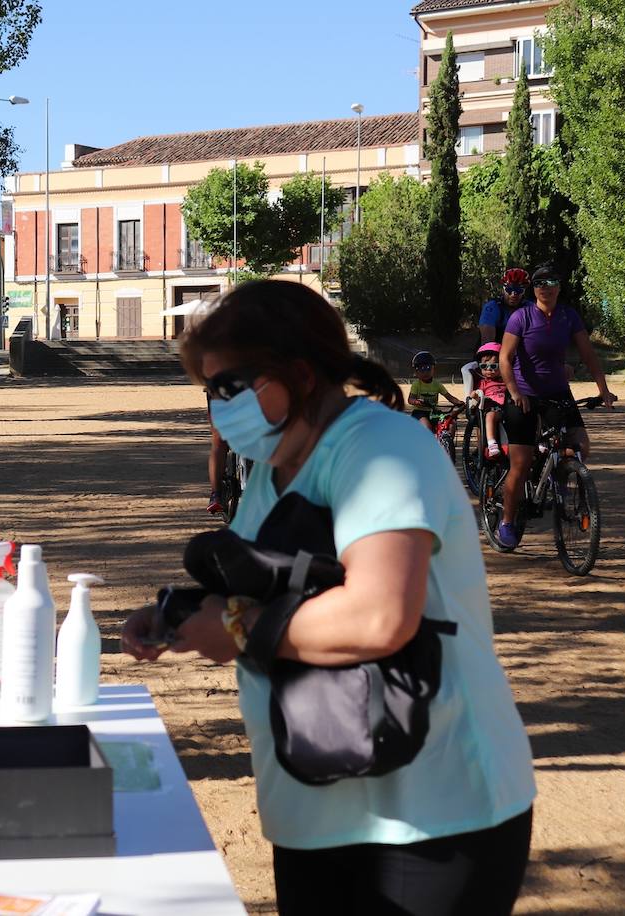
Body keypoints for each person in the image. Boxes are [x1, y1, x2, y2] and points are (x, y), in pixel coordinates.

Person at [122, 281, 536, 916]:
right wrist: (177, 613)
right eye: (210, 391)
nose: (218, 407)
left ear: (301, 373)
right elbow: (273, 582)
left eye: (232, 386)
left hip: (430, 818)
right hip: (316, 812)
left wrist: (234, 627)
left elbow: (379, 614)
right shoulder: (270, 468)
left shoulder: (381, 449)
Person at [496, 263, 617, 548]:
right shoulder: (521, 317)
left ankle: (560, 475)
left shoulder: (568, 316)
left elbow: (589, 355)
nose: (545, 287)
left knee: (580, 446)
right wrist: (514, 391)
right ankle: (507, 520)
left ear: (560, 287)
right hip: (523, 396)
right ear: (533, 289)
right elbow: (505, 358)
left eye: (551, 281)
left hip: (558, 394)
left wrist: (604, 391)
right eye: (539, 283)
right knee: (521, 463)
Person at [461, 268, 529, 396]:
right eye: (509, 290)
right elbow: (488, 343)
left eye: (519, 290)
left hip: (519, 355)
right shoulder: (492, 307)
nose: (513, 294)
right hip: (494, 356)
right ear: (503, 289)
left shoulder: (530, 307)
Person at [407, 351, 462, 430]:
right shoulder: (416, 384)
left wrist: (459, 402)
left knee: (450, 424)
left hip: (434, 412)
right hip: (419, 412)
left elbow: (449, 397)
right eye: (421, 369)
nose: (425, 372)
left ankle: (447, 442)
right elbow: (410, 399)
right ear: (416, 372)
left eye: (428, 368)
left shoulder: (437, 385)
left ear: (433, 369)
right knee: (426, 426)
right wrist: (416, 402)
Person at [471, 342, 508, 459]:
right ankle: (492, 443)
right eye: (483, 366)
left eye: (493, 366)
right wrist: (475, 395)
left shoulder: (507, 380)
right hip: (492, 408)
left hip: (507, 408)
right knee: (490, 416)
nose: (488, 370)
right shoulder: (483, 382)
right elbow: (477, 393)